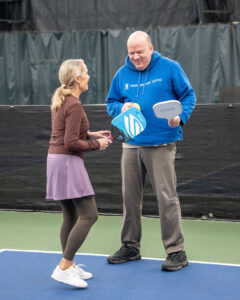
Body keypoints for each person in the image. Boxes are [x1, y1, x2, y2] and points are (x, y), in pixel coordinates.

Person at [106, 31, 196, 271]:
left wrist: (181, 116)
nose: (135, 57)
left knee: (167, 198)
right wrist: (121, 107)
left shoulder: (170, 68)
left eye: (140, 52)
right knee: (130, 198)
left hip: (161, 144)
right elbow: (111, 102)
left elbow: (189, 95)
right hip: (130, 143)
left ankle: (176, 251)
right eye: (131, 52)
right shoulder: (121, 74)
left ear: (151, 48)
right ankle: (130, 246)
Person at [46, 59, 112, 288]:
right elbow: (71, 141)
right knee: (89, 215)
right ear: (77, 78)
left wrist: (91, 134)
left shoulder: (62, 101)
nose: (89, 76)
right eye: (86, 72)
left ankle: (70, 265)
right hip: (67, 162)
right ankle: (64, 266)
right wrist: (97, 145)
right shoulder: (73, 103)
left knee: (70, 216)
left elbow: (68, 131)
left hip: (55, 160)